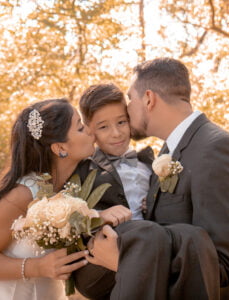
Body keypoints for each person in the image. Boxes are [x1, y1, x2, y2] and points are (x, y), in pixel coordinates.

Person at [85, 58, 229, 299]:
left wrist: (126, 263)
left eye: (131, 98)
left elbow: (220, 267)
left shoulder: (216, 149)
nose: (126, 109)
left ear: (149, 99)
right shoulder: (167, 152)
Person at [0, 99, 95, 300]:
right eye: (80, 128)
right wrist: (39, 267)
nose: (91, 132)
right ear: (60, 148)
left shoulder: (73, 186)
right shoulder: (23, 194)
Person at [73, 83, 154, 298]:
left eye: (121, 122)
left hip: (152, 252)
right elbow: (68, 218)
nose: (116, 133)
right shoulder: (82, 170)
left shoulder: (149, 163)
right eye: (103, 127)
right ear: (89, 129)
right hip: (105, 265)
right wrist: (98, 217)